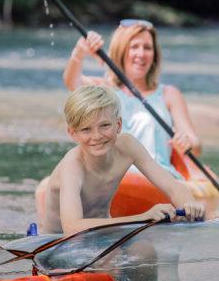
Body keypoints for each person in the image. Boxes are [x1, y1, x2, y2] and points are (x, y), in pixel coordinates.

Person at [36, 85, 206, 235]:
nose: (97, 136)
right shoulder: (72, 164)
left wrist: (189, 204)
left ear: (118, 124)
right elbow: (72, 228)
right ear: (73, 133)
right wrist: (142, 217)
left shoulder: (127, 146)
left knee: (148, 252)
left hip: (101, 235)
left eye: (105, 125)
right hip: (57, 244)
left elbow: (174, 187)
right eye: (86, 129)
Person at [62, 20, 199, 175]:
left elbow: (196, 145)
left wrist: (187, 142)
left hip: (159, 177)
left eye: (147, 47)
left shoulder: (169, 94)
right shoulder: (102, 89)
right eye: (134, 47)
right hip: (112, 176)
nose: (141, 54)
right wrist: (79, 52)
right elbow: (71, 82)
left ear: (154, 55)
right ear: (121, 51)